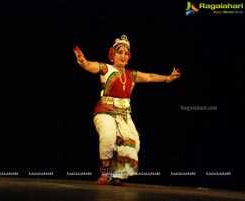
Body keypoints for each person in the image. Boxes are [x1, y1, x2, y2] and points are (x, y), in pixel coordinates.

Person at [73, 34, 181, 187]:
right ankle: (105, 174)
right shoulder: (106, 69)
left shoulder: (131, 75)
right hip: (104, 111)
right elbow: (89, 66)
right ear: (113, 54)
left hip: (124, 114)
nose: (123, 55)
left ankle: (117, 175)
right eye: (120, 52)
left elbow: (150, 77)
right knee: (108, 136)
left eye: (126, 53)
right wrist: (82, 61)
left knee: (134, 142)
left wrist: (168, 78)